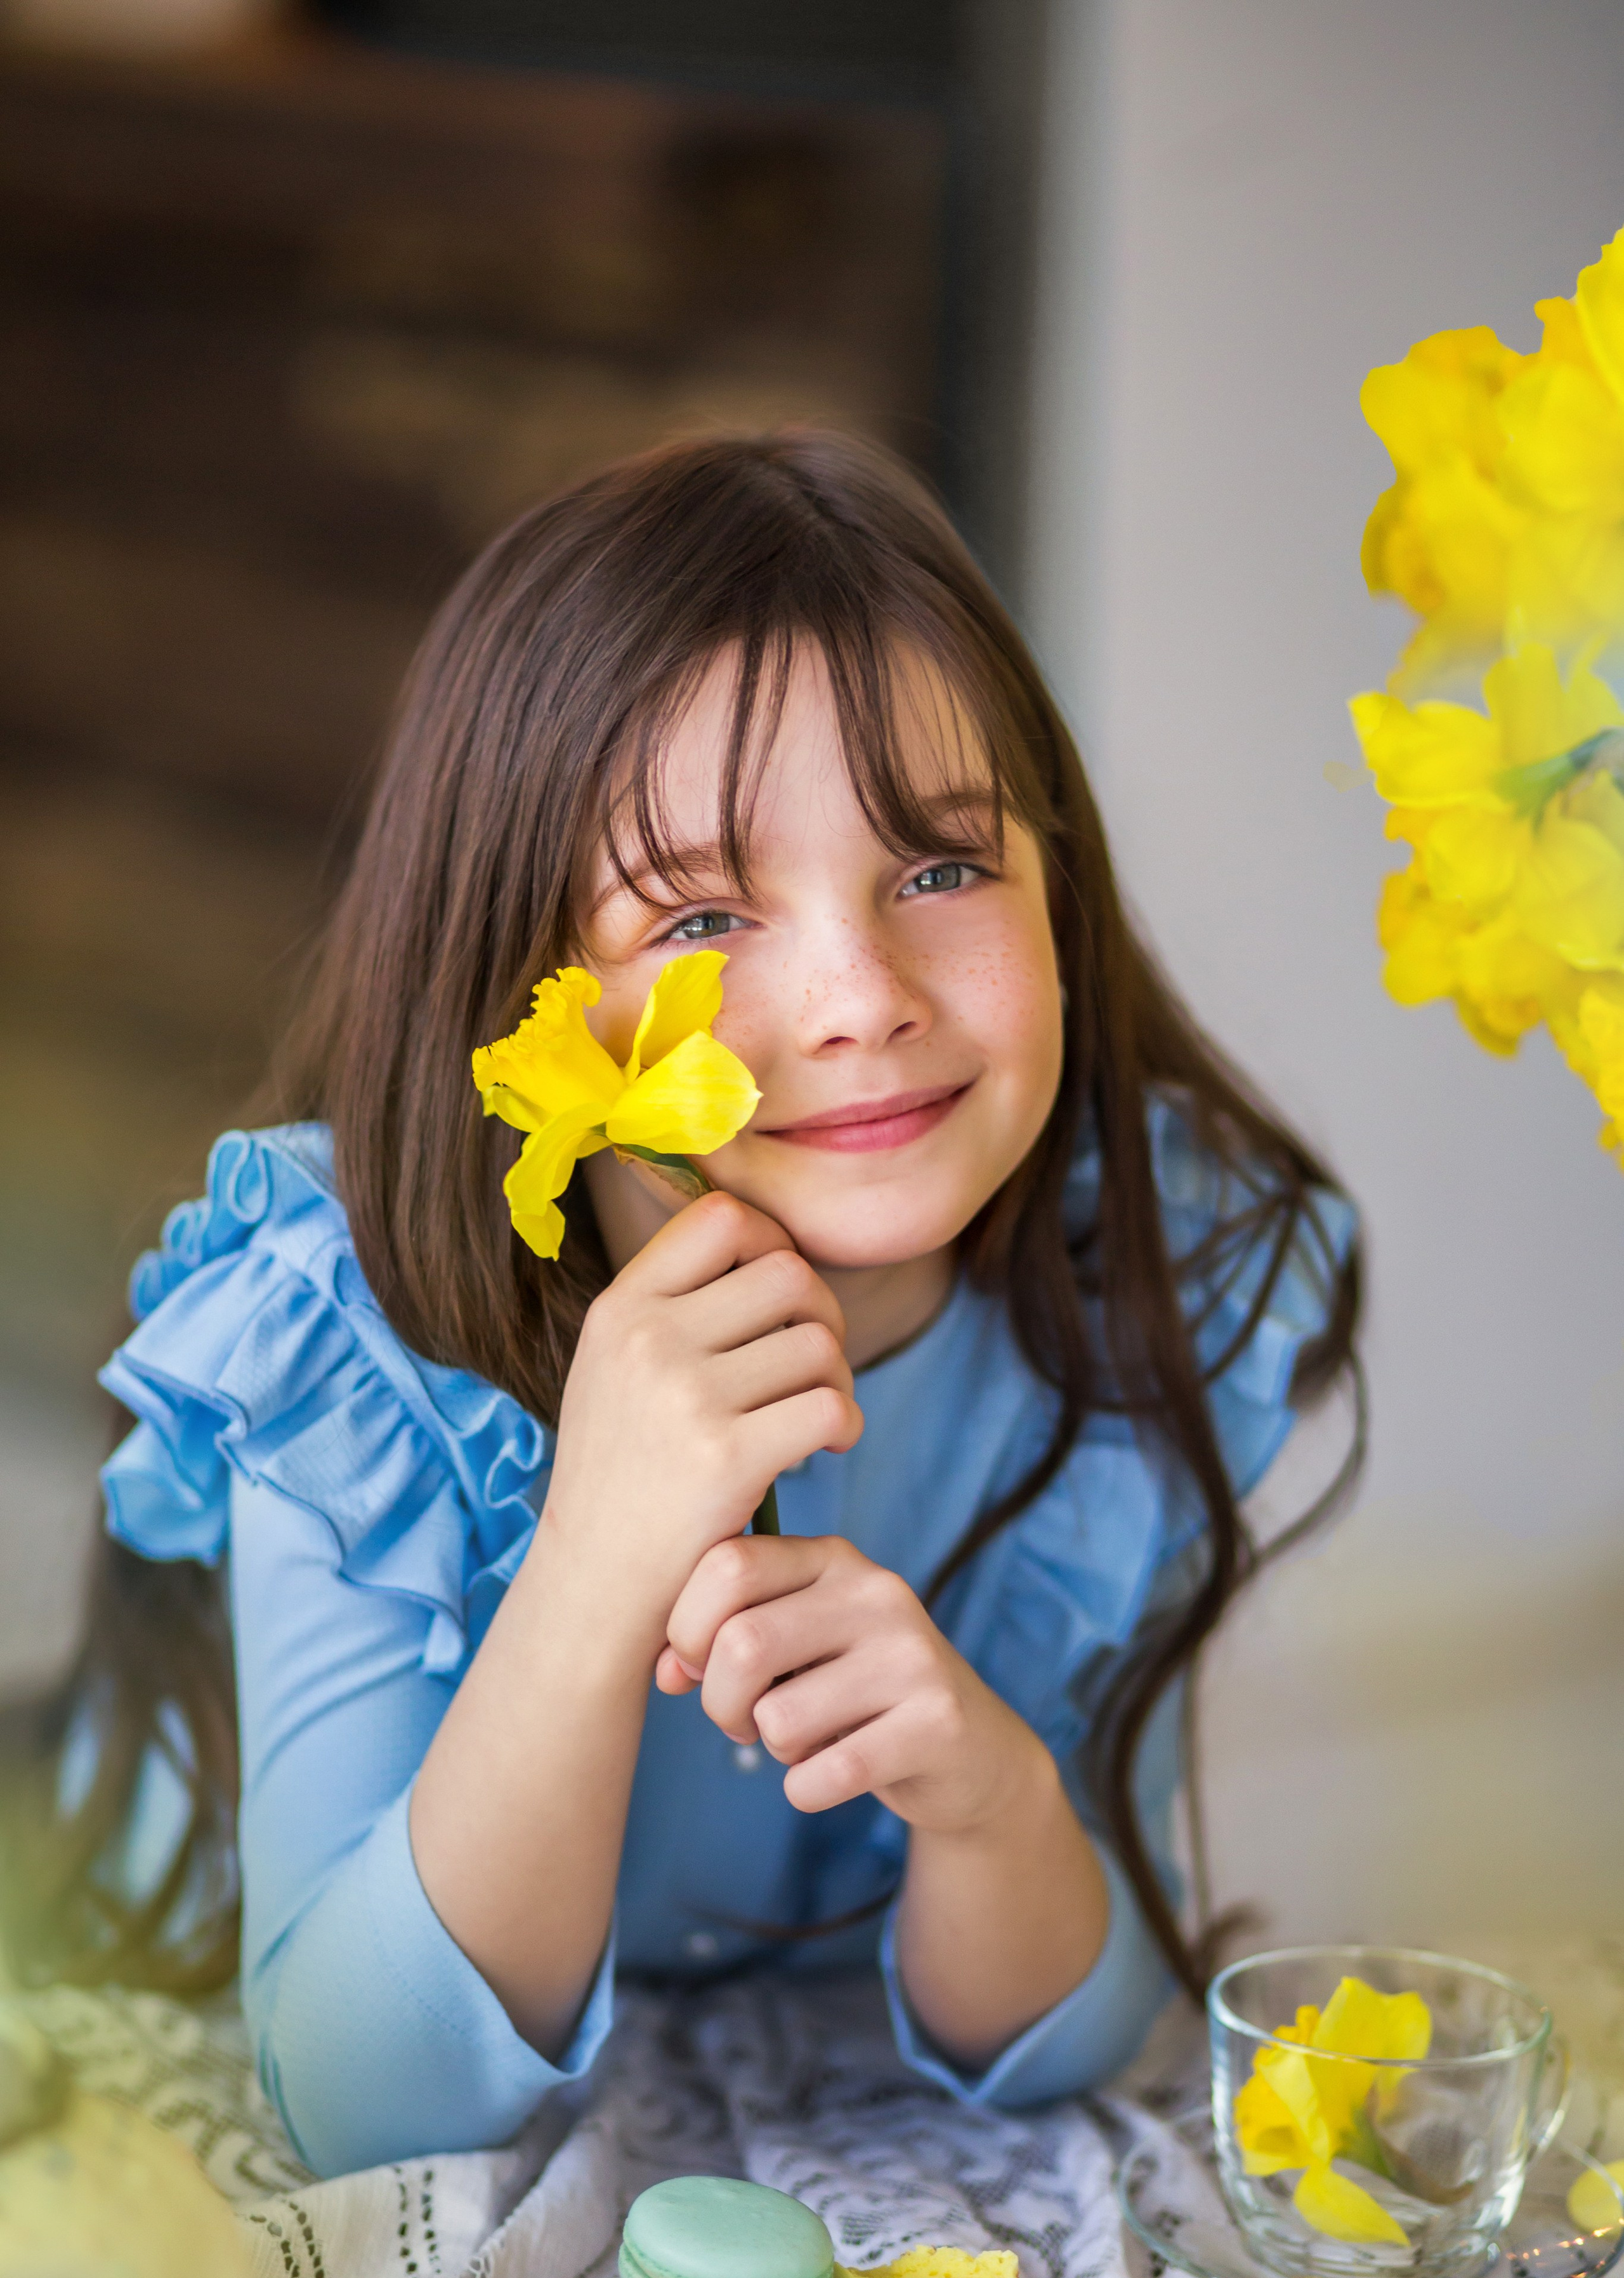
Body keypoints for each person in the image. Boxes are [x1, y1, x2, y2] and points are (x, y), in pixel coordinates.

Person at [7, 432, 1359, 2178]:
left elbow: (1093, 2035)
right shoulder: (358, 1329)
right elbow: (361, 2100)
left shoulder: (1132, 1289)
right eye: (705, 916)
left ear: (1061, 887)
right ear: (519, 981)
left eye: (941, 869)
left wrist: (989, 1796)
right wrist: (592, 1557)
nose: (860, 999)